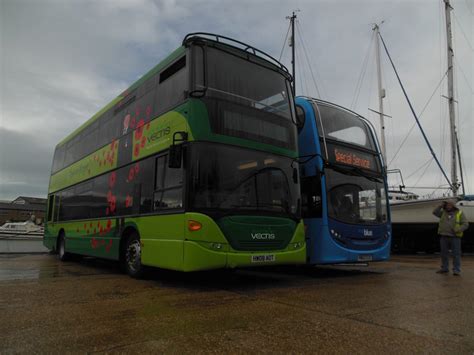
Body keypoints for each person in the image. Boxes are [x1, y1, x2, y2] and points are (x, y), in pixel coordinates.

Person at [432, 199, 469, 276]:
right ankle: (444, 268)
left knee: (456, 254)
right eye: (447, 205)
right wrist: (440, 206)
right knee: (444, 254)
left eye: (450, 205)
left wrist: (458, 229)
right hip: (444, 236)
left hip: (455, 237)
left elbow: (465, 224)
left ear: (453, 206)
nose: (448, 206)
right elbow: (434, 212)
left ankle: (456, 270)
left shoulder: (459, 213)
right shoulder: (443, 213)